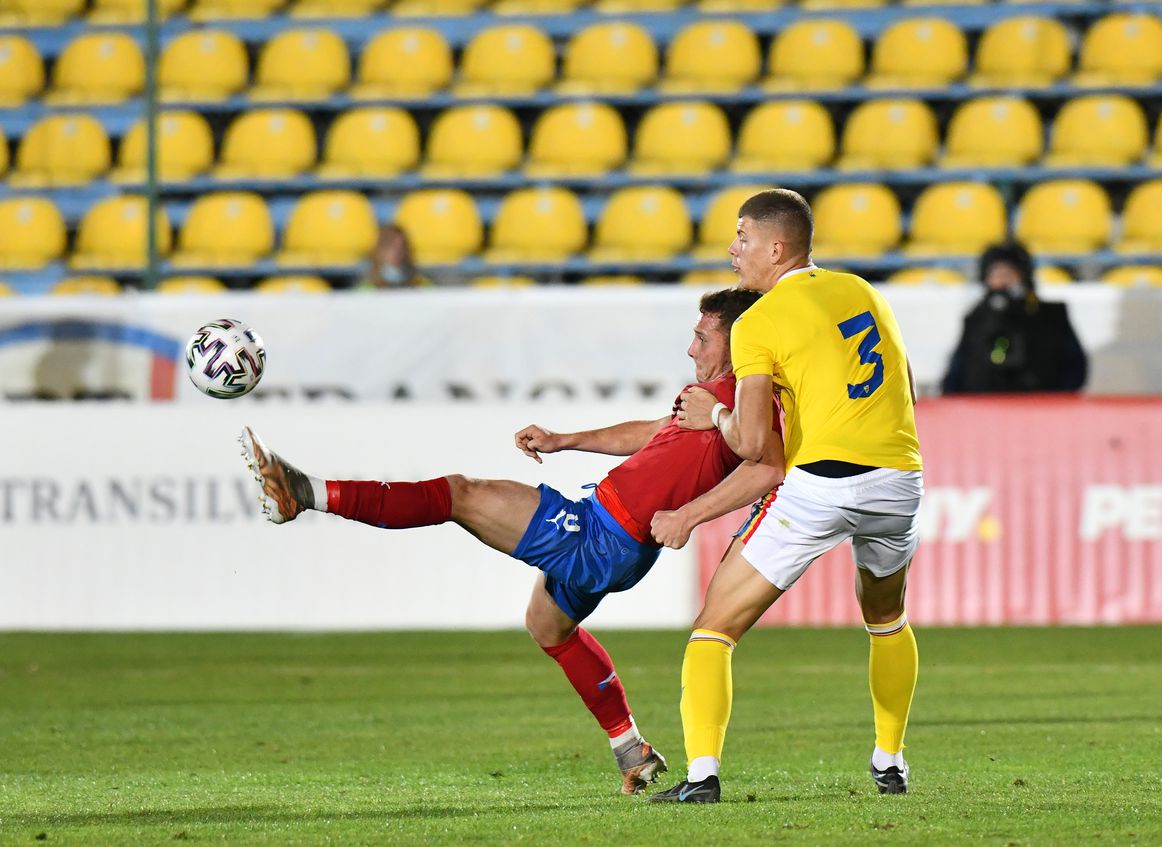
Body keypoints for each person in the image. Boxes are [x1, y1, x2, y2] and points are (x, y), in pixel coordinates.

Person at [238, 288, 785, 795]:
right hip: (607, 530)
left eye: (703, 336)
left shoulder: (741, 402)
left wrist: (689, 513)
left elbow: (766, 461)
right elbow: (656, 431)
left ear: (737, 342)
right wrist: (566, 440)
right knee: (547, 625)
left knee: (460, 495)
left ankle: (304, 493)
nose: (690, 347)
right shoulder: (712, 397)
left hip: (603, 538)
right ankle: (630, 748)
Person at [647, 188, 924, 803]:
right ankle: (891, 760)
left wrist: (709, 421)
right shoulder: (862, 290)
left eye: (742, 238)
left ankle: (701, 778)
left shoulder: (759, 321)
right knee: (885, 617)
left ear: (777, 247)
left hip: (822, 484)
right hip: (899, 477)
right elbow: (905, 381)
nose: (732, 249)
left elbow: (750, 443)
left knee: (713, 629)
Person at [941, 242, 1087, 394]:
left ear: (1023, 277)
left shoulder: (1051, 316)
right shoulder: (975, 319)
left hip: (1039, 407)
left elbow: (1075, 370)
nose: (1003, 283)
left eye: (1008, 275)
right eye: (996, 275)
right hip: (983, 408)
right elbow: (956, 374)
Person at [361, 224, 430, 289]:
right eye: (391, 246)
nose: (397, 252)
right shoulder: (363, 292)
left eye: (402, 247)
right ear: (379, 251)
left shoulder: (421, 285)